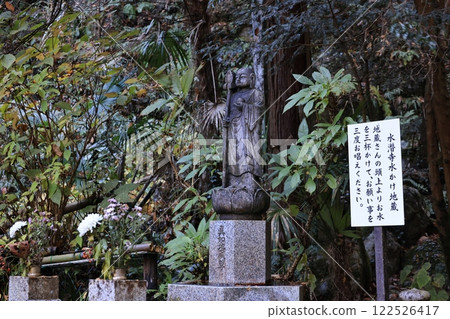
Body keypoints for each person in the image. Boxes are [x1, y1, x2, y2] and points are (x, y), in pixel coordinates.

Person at [223, 67, 264, 189]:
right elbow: (228, 113)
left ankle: (248, 181)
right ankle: (233, 181)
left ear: (252, 78)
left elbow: (259, 110)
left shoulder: (256, 93)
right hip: (233, 129)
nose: (239, 79)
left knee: (246, 152)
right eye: (237, 77)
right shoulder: (233, 95)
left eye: (243, 77)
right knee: (233, 154)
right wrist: (226, 122)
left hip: (247, 129)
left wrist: (245, 107)